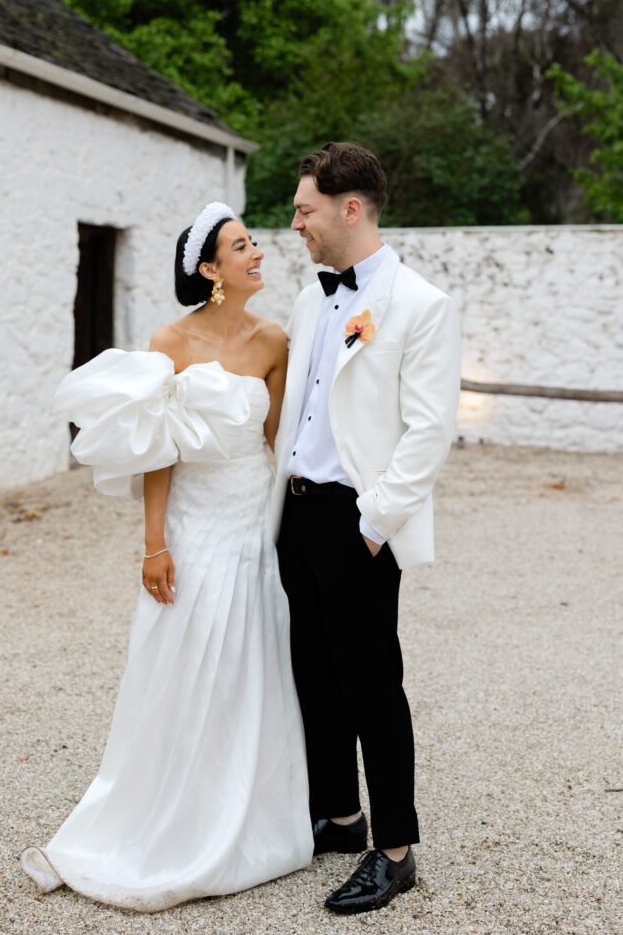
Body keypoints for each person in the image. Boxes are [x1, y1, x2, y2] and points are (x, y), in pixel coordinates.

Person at [20, 202, 313, 912]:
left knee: (252, 659)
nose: (256, 255)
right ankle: (159, 815)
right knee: (181, 657)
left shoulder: (276, 339)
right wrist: (153, 545)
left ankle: (250, 816)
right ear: (210, 269)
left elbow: (278, 442)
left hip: (251, 523)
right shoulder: (169, 340)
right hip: (192, 521)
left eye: (253, 244)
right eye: (240, 247)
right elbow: (158, 451)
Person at [272, 143, 461, 915]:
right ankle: (342, 819)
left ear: (351, 208)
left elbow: (428, 430)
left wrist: (374, 523)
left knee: (371, 685)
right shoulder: (310, 295)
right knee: (312, 675)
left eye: (304, 211)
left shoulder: (421, 304)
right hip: (295, 509)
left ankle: (394, 850)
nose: (295, 226)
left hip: (356, 522)